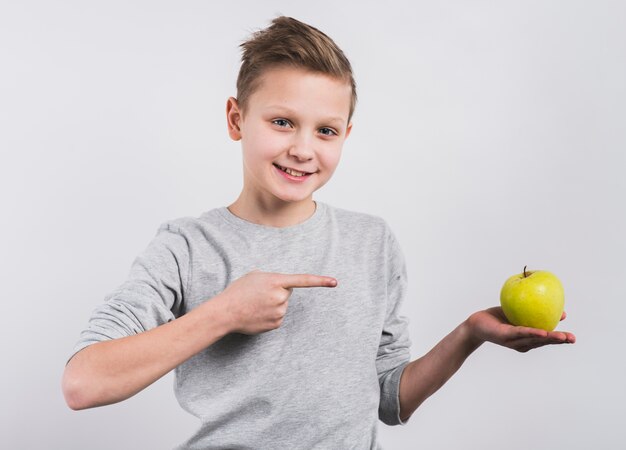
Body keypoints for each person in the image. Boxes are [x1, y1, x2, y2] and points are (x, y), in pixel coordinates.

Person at [62, 16, 576, 449]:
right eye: (283, 122)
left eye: (325, 130)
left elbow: (389, 403)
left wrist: (469, 335)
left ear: (345, 136)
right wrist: (223, 313)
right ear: (236, 119)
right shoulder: (186, 247)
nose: (304, 149)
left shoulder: (372, 243)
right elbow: (83, 383)